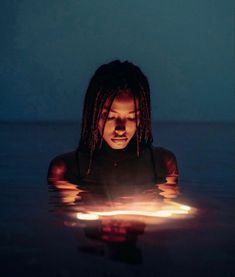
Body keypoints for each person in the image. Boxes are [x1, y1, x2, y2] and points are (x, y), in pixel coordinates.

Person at [48, 60, 179, 202]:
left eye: (132, 117)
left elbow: (171, 212)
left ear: (143, 117)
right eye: (110, 116)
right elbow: (66, 218)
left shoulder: (163, 163)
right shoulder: (64, 169)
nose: (121, 129)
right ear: (93, 114)